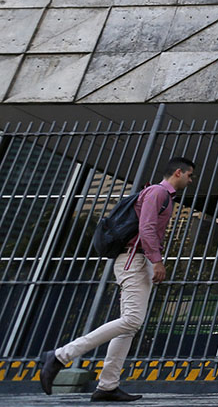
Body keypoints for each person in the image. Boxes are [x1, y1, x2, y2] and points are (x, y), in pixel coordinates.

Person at [39, 156, 196, 402]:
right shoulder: (157, 193)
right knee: (132, 320)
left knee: (128, 326)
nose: (190, 180)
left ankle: (107, 386)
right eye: (189, 175)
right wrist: (157, 261)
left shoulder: (162, 196)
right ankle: (60, 356)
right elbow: (146, 227)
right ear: (178, 172)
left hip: (137, 260)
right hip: (135, 259)